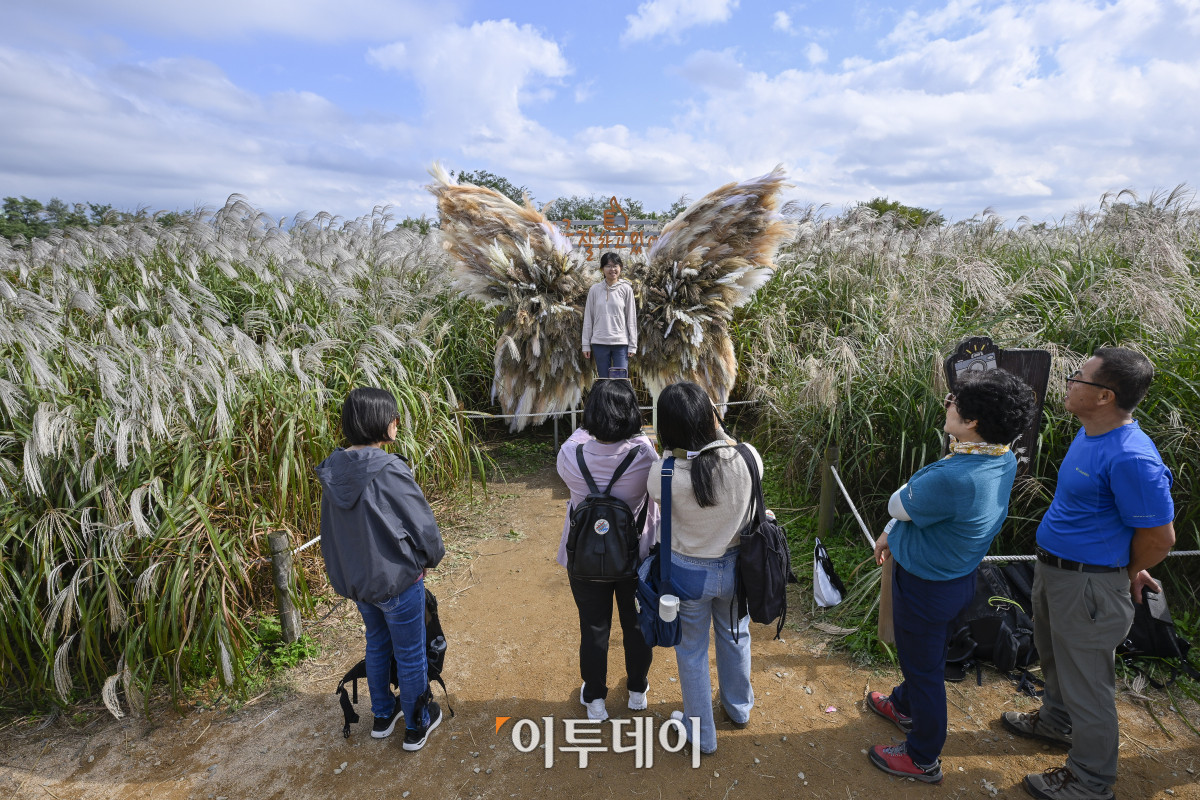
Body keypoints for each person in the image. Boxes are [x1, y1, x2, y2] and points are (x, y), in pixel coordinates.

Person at [1000, 348, 1174, 800]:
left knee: (1089, 685)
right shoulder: (1091, 432)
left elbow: (1160, 538)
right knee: (1054, 655)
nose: (1070, 381)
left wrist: (1125, 571)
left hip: (1090, 584)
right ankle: (1057, 721)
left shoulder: (1133, 458)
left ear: (1104, 396)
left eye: (1079, 377)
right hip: (1059, 573)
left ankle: (1091, 780)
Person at [867, 369, 1037, 784]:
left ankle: (922, 756)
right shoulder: (1000, 458)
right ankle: (905, 705)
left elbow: (897, 505)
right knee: (926, 656)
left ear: (973, 421)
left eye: (954, 400)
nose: (948, 403)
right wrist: (894, 534)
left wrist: (892, 524)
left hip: (925, 585)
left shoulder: (952, 476)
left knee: (924, 669)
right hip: (958, 578)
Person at [316, 387, 446, 751]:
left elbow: (331, 533)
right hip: (396, 582)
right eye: (393, 417)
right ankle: (418, 723)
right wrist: (431, 556)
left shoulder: (332, 472)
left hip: (359, 583)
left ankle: (384, 716)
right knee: (409, 652)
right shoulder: (389, 469)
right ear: (383, 424)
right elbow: (421, 523)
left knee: (376, 643)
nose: (396, 423)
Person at [647, 381, 759, 755]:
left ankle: (702, 735)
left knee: (691, 651)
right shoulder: (747, 459)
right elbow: (724, 447)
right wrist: (717, 429)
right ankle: (739, 708)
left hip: (687, 574)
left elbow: (673, 468)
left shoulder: (664, 474)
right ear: (711, 418)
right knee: (735, 635)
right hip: (735, 569)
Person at [556, 379, 660, 721]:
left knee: (594, 627)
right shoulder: (644, 457)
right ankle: (636, 690)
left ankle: (596, 700)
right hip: (634, 559)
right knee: (636, 625)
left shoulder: (570, 454)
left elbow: (578, 436)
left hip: (585, 558)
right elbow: (645, 443)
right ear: (632, 413)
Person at [582, 252, 637, 379]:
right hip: (599, 342)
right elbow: (588, 318)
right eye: (608, 266)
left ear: (620, 268)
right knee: (603, 381)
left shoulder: (626, 289)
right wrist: (586, 344)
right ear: (602, 269)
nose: (612, 269)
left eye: (615, 265)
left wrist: (633, 345)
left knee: (620, 381)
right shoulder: (594, 290)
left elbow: (631, 318)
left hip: (621, 343)